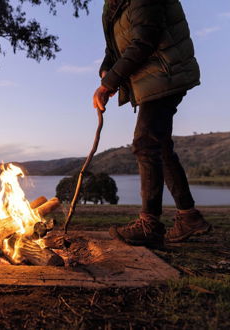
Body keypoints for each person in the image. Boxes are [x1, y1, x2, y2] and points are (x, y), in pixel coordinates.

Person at [93, 0, 212, 247]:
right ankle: (189, 217)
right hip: (151, 79)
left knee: (145, 143)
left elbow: (145, 39)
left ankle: (150, 225)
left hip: (165, 74)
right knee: (160, 147)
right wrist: (107, 69)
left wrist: (110, 83)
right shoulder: (112, 5)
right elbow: (113, 47)